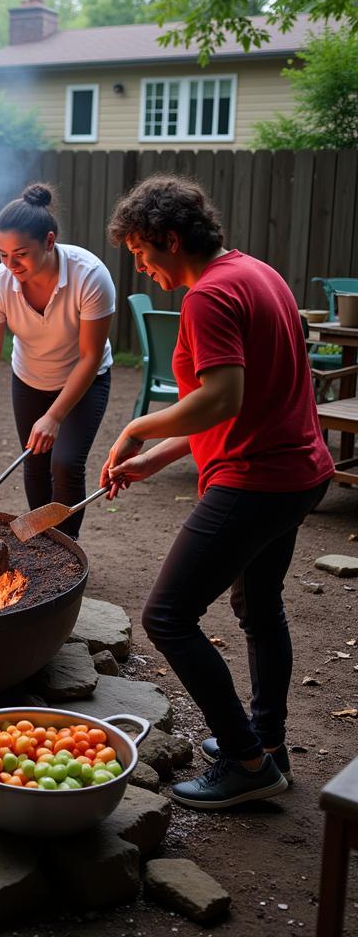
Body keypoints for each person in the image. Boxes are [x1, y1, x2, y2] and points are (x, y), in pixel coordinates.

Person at [100, 174, 334, 810]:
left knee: (168, 617)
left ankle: (246, 759)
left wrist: (137, 426)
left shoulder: (209, 297)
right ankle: (268, 743)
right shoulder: (257, 273)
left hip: (258, 479)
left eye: (144, 255)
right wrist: (156, 458)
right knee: (260, 608)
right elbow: (239, 406)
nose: (142, 269)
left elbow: (221, 397)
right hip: (299, 471)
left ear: (170, 239)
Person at [0, 183, 115, 538]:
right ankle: (43, 544)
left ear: (50, 241)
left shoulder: (90, 276)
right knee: (35, 464)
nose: (11, 264)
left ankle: (67, 550)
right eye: (2, 254)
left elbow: (89, 356)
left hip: (84, 379)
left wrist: (54, 416)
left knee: (66, 463)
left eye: (20, 254)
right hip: (29, 379)